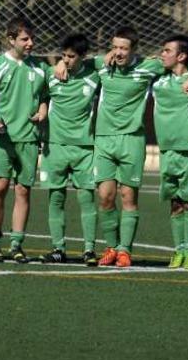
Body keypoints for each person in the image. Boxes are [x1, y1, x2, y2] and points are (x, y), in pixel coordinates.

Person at [58, 26, 166, 267]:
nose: (118, 52)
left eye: (123, 48)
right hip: (104, 139)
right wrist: (59, 64)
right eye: (115, 47)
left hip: (132, 140)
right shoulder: (101, 65)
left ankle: (125, 250)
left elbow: (187, 60)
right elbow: (73, 58)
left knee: (128, 196)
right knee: (105, 197)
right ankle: (111, 247)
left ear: (134, 50)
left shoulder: (149, 68)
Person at [0, 17, 48, 263]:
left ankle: (16, 245)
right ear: (11, 40)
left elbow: (45, 95)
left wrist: (43, 110)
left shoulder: (41, 68)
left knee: (23, 191)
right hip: (3, 138)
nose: (30, 43)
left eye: (32, 38)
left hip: (28, 138)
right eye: (24, 39)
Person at [38, 34, 101, 265]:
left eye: (71, 56)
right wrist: (57, 65)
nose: (66, 60)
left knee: (86, 197)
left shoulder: (94, 75)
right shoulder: (51, 75)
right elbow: (41, 96)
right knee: (56, 197)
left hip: (84, 146)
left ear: (83, 56)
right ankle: (58, 248)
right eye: (63, 56)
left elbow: (106, 60)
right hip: (54, 145)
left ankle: (89, 250)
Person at [152, 35, 188, 270]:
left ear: (181, 56)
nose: (162, 54)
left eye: (167, 50)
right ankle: (179, 250)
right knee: (174, 202)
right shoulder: (158, 80)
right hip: (167, 151)